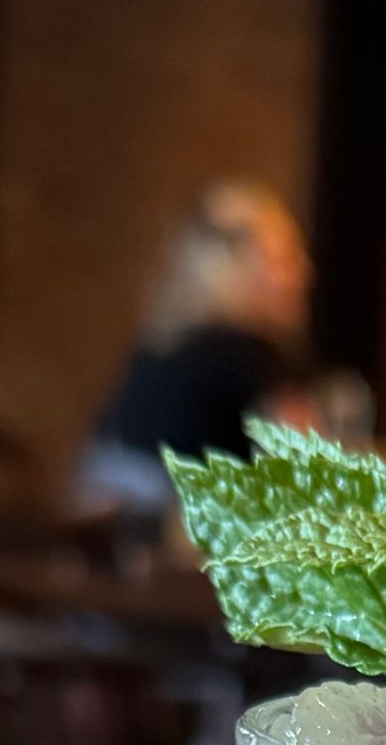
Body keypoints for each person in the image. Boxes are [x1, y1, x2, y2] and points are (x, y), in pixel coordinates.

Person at [76, 181, 312, 515]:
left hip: (107, 547)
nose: (304, 271)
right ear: (235, 269)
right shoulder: (250, 356)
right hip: (181, 553)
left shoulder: (160, 346)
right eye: (283, 260)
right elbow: (308, 474)